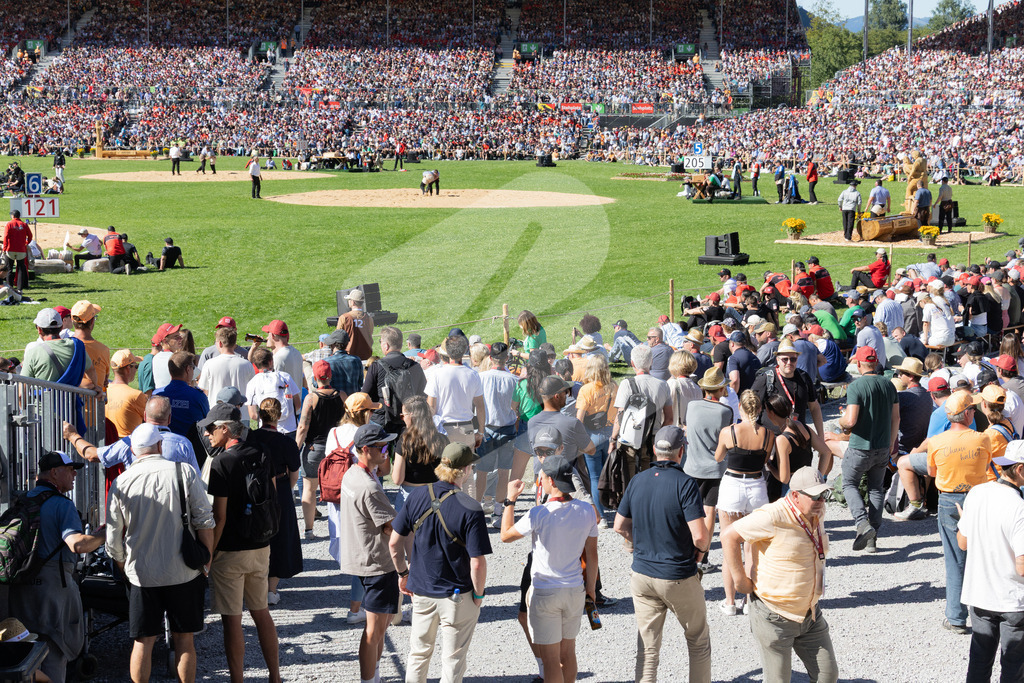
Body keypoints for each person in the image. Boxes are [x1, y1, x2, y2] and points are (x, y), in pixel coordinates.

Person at [106, 423, 214, 683]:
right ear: (159, 445)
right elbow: (204, 520)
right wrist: (206, 560)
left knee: (143, 642)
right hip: (184, 571)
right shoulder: (183, 471)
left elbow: (112, 535)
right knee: (184, 640)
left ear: (133, 450)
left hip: (142, 574)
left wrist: (122, 564)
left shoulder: (122, 481)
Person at [612, 425, 711, 682]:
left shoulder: (638, 480)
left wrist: (637, 543)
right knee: (698, 641)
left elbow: (619, 525)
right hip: (677, 574)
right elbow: (700, 535)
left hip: (642, 574)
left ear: (655, 450)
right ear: (681, 452)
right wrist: (699, 551)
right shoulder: (686, 484)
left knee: (647, 649)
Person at [722, 467, 838, 683]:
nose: (821, 501)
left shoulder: (816, 511)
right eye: (815, 496)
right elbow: (729, 536)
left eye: (824, 494)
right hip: (775, 616)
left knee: (828, 675)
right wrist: (741, 582)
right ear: (795, 495)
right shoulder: (772, 515)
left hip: (810, 613)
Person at [389, 443, 492, 683]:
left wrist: (403, 574)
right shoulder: (471, 508)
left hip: (422, 590)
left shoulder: (416, 496)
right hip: (456, 595)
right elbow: (477, 562)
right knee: (453, 660)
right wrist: (478, 595)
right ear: (465, 470)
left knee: (418, 654)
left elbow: (394, 544)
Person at [9, 451, 106, 683]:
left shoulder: (23, 501)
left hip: (21, 591)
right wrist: (103, 535)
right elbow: (76, 544)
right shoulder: (62, 505)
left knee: (25, 657)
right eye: (70, 469)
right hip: (53, 594)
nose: (74, 475)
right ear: (54, 473)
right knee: (53, 653)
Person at [501, 454, 599, 683]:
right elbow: (592, 556)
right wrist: (591, 589)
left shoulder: (539, 513)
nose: (539, 480)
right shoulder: (586, 511)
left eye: (541, 477)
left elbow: (505, 535)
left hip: (545, 590)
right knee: (568, 652)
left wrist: (510, 500)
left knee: (551, 659)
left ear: (551, 481)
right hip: (574, 588)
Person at [203, 403, 282, 683]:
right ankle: (275, 676)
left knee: (232, 620)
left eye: (211, 428)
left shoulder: (221, 462)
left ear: (225, 428)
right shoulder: (262, 451)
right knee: (261, 613)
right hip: (261, 544)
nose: (208, 433)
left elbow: (219, 516)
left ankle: (238, 680)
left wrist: (208, 554)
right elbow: (271, 494)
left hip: (231, 551)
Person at [926, 390, 993, 635]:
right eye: (972, 410)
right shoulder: (982, 439)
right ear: (966, 414)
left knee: (955, 560)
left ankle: (956, 617)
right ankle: (985, 612)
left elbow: (932, 472)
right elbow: (986, 466)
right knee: (982, 557)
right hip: (976, 498)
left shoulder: (936, 441)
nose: (974, 412)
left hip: (948, 500)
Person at [338, 423, 401, 683]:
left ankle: (373, 676)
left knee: (377, 629)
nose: (387, 450)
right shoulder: (369, 486)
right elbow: (392, 527)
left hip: (361, 558)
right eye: (382, 446)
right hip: (378, 563)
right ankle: (369, 679)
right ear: (366, 449)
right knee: (375, 631)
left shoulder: (352, 474)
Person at [957, 439, 1024, 682]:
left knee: (979, 662)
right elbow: (1022, 565)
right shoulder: (1019, 507)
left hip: (980, 595)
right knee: (1013, 667)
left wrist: (966, 521)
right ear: (1019, 469)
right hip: (1013, 600)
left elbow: (962, 543)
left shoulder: (978, 492)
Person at [714, 391, 773, 616]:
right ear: (759, 410)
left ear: (740, 407)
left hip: (733, 486)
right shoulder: (768, 435)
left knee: (730, 545)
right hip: (756, 486)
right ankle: (750, 600)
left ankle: (729, 601)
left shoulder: (730, 432)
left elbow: (719, 457)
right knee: (752, 546)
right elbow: (764, 460)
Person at [836, 346, 899, 553]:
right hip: (882, 446)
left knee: (849, 483)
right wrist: (891, 442)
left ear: (859, 363)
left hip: (860, 446)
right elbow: (896, 417)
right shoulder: (889, 385)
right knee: (875, 488)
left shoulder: (856, 386)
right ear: (876, 361)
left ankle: (862, 524)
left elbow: (851, 420)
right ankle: (873, 539)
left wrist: (841, 421)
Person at [248, 398, 302, 606]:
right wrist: (285, 490)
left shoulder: (251, 438)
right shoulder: (287, 442)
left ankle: (255, 585)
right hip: (279, 489)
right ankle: (271, 589)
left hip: (252, 489)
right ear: (279, 416)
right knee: (279, 538)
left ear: (260, 415)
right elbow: (294, 474)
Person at [295, 359, 345, 533]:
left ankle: (309, 529)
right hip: (336, 449)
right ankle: (341, 527)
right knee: (339, 488)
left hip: (314, 449)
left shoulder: (311, 398)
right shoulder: (342, 395)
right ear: (330, 375)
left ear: (315, 377)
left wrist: (295, 448)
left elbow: (303, 427)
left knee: (309, 489)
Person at [609, 344, 672, 477]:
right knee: (651, 480)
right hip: (653, 440)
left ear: (632, 362)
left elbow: (620, 417)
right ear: (651, 362)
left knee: (629, 481)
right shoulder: (663, 385)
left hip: (629, 441)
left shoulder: (626, 384)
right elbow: (669, 418)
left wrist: (613, 439)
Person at [477, 342, 518, 520]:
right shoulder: (513, 380)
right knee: (503, 473)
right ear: (507, 358)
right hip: (507, 428)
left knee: (482, 472)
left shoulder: (481, 377)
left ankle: (477, 508)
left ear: (491, 358)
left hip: (486, 428)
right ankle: (498, 511)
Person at [426, 335, 485, 452]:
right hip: (465, 428)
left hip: (443, 429)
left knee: (445, 468)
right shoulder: (473, 375)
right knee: (465, 469)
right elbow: (480, 406)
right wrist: (481, 431)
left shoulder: (436, 374)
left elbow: (430, 407)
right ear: (464, 351)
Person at [245, 348, 301, 436]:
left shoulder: (252, 383)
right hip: (289, 428)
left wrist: (267, 418)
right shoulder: (285, 377)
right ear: (271, 361)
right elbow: (297, 404)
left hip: (266, 430)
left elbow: (253, 415)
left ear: (255, 364)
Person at [153, 350, 210, 437]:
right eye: (193, 368)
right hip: (192, 446)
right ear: (188, 369)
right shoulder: (198, 396)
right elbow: (207, 421)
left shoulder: (156, 395)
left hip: (162, 444)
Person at [198, 326, 255, 400]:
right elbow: (253, 390)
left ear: (220, 343)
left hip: (216, 409)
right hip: (241, 410)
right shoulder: (247, 364)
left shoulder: (209, 364)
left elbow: (203, 390)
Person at [337, 289, 375, 361]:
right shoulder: (369, 318)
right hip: (366, 356)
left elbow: (338, 337)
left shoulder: (344, 318)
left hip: (348, 357)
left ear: (352, 302)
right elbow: (370, 334)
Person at [2, 209, 31, 289]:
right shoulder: (24, 224)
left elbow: (6, 237)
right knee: (21, 268)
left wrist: (4, 248)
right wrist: (26, 243)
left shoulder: (9, 224)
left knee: (9, 269)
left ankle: (9, 288)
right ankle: (19, 288)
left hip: (10, 249)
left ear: (13, 216)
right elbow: (30, 236)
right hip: (21, 250)